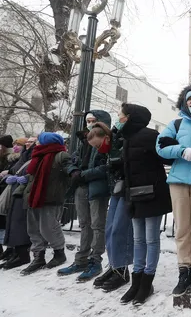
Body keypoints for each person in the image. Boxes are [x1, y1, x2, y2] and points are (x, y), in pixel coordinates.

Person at [156, 84, 191, 296]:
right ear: (183, 102)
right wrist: (181, 151)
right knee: (182, 229)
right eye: (188, 99)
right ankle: (184, 272)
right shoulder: (176, 124)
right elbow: (160, 145)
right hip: (179, 180)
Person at [117, 103, 172, 305]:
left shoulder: (151, 135)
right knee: (138, 239)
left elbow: (168, 157)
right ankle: (137, 281)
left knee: (150, 239)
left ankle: (147, 282)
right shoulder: (127, 138)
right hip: (134, 195)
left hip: (153, 194)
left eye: (121, 115)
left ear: (130, 117)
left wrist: (170, 142)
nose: (119, 118)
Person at [59, 110, 111, 282]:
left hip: (96, 187)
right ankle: (81, 260)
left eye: (93, 120)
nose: (89, 123)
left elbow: (106, 167)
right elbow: (71, 160)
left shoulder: (107, 139)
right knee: (84, 224)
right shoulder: (83, 141)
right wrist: (74, 171)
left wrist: (83, 174)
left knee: (97, 225)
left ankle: (95, 261)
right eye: (87, 120)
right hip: (81, 186)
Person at [86, 122, 134, 292]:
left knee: (119, 229)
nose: (98, 149)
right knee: (109, 229)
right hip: (116, 188)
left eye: (98, 145)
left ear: (106, 137)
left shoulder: (120, 141)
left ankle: (122, 270)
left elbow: (128, 161)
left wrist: (115, 163)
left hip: (126, 188)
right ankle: (114, 266)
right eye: (95, 147)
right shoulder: (107, 150)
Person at [20, 133, 72, 275]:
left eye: (39, 140)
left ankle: (59, 253)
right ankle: (38, 257)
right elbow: (32, 176)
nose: (36, 143)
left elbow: (70, 172)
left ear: (47, 142)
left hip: (51, 198)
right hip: (33, 197)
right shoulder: (38, 155)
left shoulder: (61, 155)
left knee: (49, 228)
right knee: (34, 229)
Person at [0, 137, 36, 269]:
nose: (28, 144)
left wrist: (20, 178)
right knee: (12, 221)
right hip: (16, 191)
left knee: (20, 222)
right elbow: (17, 169)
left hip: (24, 193)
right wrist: (10, 174)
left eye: (32, 142)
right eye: (27, 142)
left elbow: (31, 173)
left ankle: (22, 254)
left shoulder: (34, 156)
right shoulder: (24, 156)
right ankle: (14, 252)